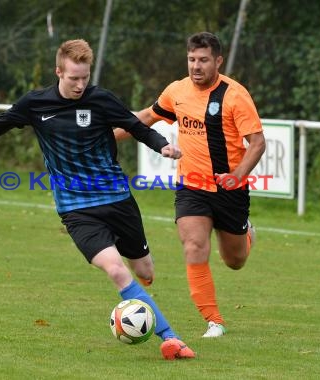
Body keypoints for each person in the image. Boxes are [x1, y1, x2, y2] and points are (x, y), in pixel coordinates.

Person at [0, 39, 195, 360]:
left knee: (145, 272)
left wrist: (162, 146)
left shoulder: (100, 99)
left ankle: (141, 294)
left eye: (84, 77)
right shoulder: (36, 104)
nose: (79, 84)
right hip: (76, 209)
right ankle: (170, 338)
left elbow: (134, 126)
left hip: (118, 200)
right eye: (73, 78)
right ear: (59, 71)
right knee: (116, 271)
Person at [116, 32, 266, 338]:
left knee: (234, 260)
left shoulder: (235, 95)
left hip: (229, 189)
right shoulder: (177, 91)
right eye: (191, 59)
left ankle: (245, 234)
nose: (196, 66)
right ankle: (214, 320)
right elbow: (145, 117)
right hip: (191, 185)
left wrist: (238, 175)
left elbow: (258, 143)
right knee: (194, 245)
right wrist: (102, 136)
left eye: (203, 60)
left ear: (218, 61)